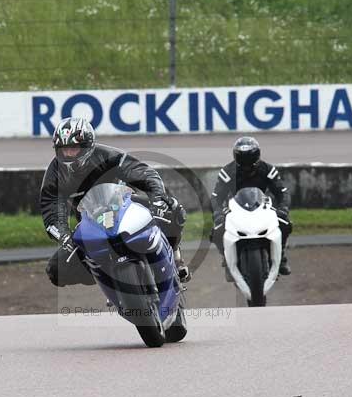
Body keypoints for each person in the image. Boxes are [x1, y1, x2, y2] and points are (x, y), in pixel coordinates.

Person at [40, 117, 191, 287]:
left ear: (88, 146)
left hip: (126, 205)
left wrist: (157, 198)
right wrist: (64, 236)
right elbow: (51, 207)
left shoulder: (108, 156)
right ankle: (107, 279)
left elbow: (143, 173)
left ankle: (176, 258)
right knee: (56, 270)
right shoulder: (54, 174)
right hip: (89, 221)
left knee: (173, 208)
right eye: (63, 150)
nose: (68, 154)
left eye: (73, 149)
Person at [210, 136, 293, 276]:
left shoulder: (268, 169)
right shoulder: (227, 172)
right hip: (235, 209)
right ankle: (227, 257)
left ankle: (281, 257)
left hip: (263, 207)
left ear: (257, 156)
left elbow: (282, 192)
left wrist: (283, 209)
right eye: (243, 159)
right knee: (217, 230)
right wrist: (218, 213)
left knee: (284, 223)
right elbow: (216, 197)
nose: (247, 164)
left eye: (250, 159)